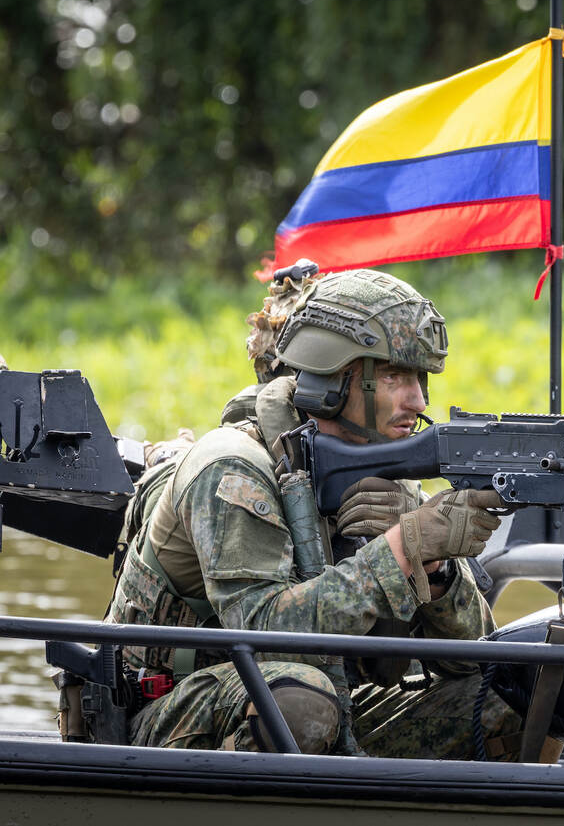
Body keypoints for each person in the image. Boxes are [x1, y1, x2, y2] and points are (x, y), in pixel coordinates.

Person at [103, 267, 520, 757]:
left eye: (420, 379)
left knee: (520, 692)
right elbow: (260, 635)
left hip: (329, 706)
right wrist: (400, 551)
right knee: (299, 700)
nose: (418, 400)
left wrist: (437, 568)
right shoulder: (232, 468)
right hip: (167, 714)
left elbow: (471, 660)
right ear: (334, 380)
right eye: (394, 376)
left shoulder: (386, 470)